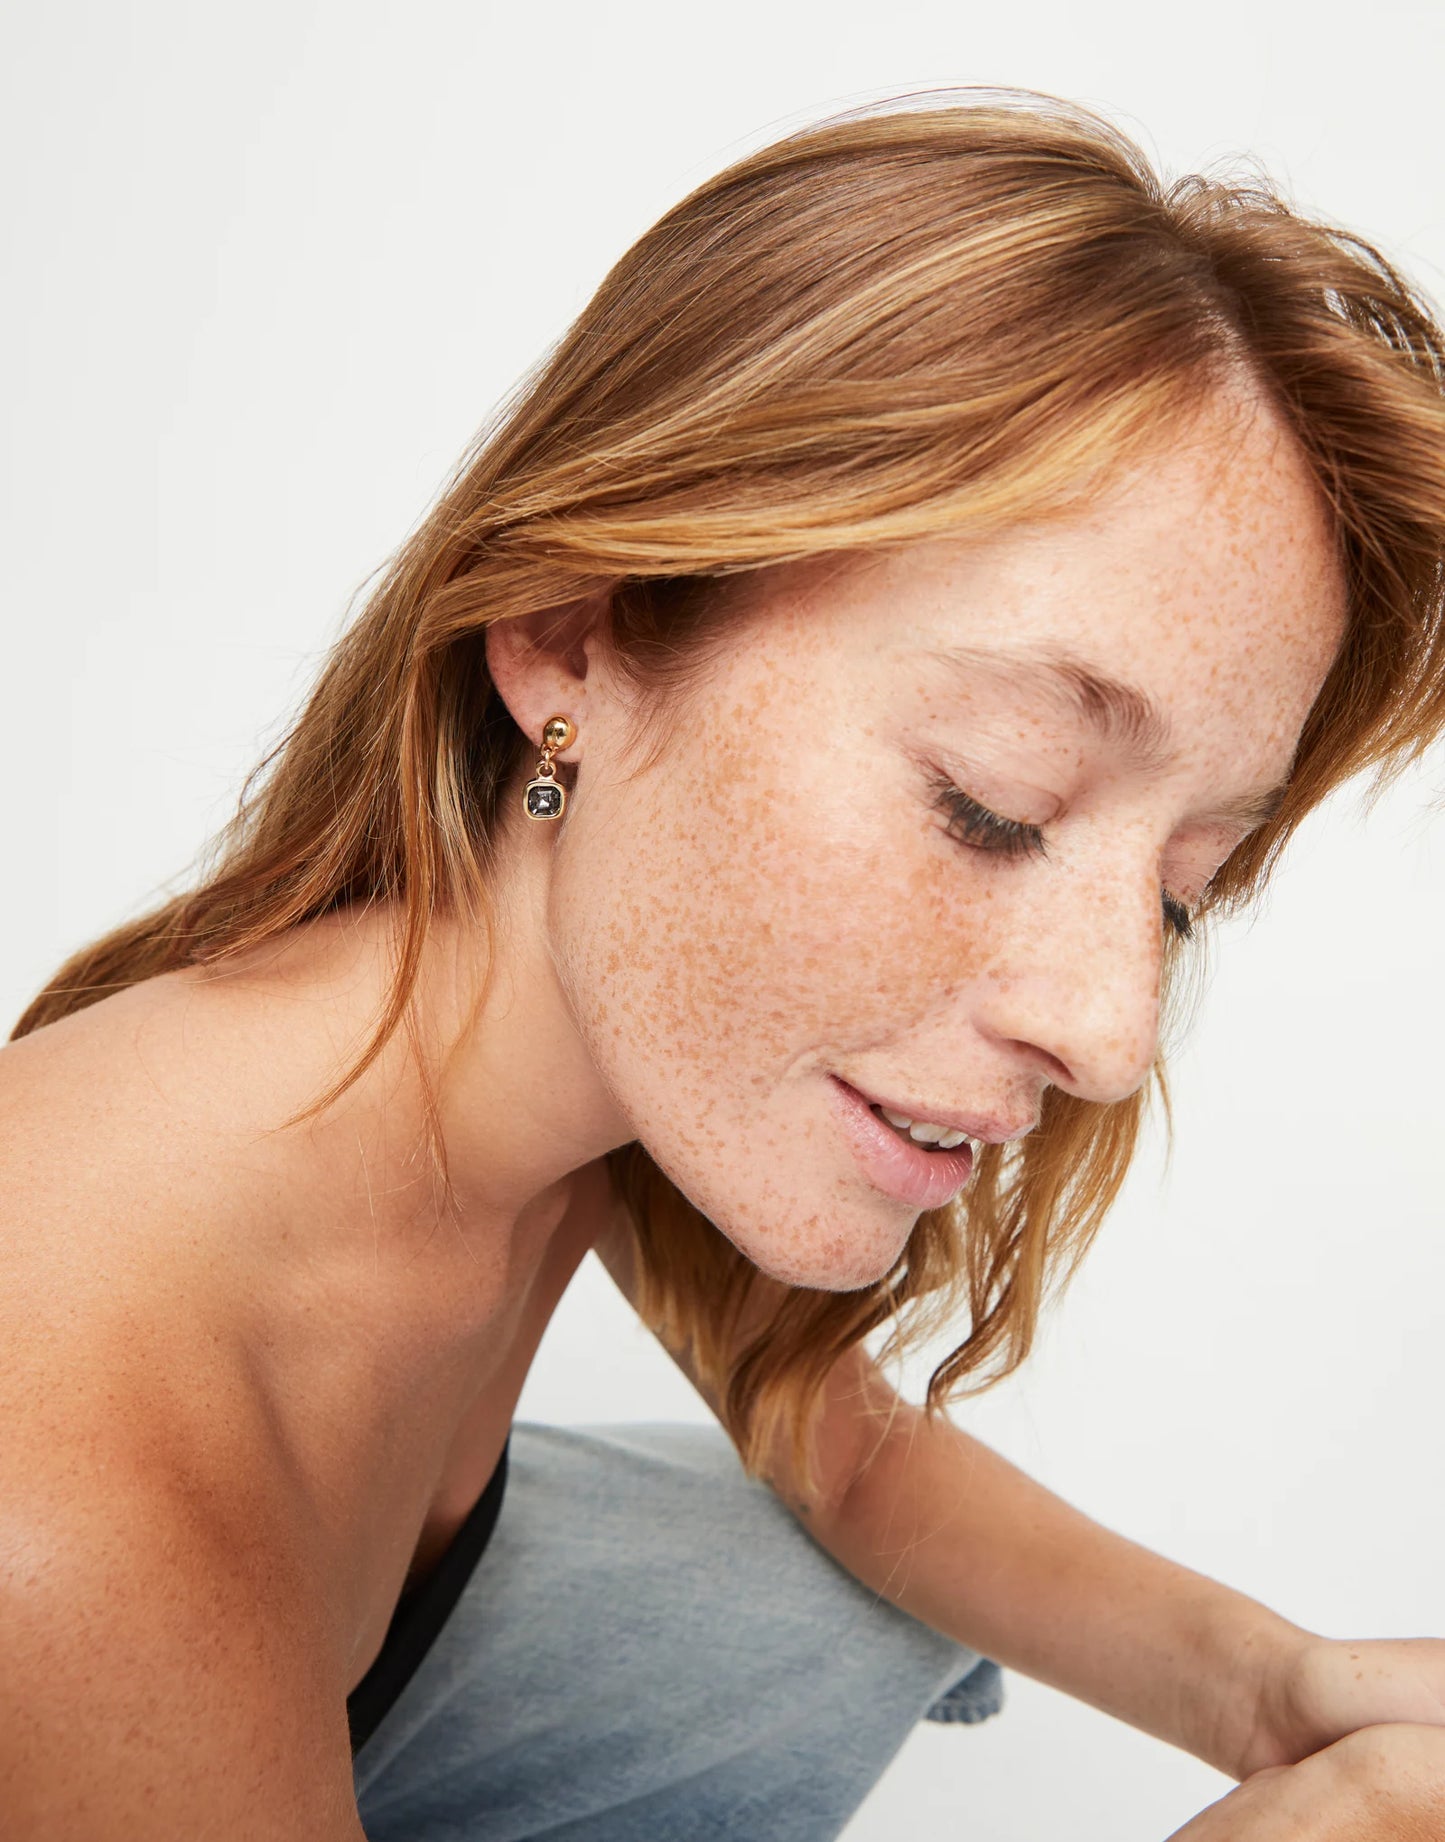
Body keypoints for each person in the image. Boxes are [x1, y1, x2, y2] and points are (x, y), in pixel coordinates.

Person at [4, 90, 1445, 1842]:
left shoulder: (558, 1067)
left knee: (768, 1600)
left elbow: (824, 1436)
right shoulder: (66, 1500)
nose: (1107, 1031)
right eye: (990, 803)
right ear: (568, 638)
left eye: (1180, 890)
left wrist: (1262, 1682)